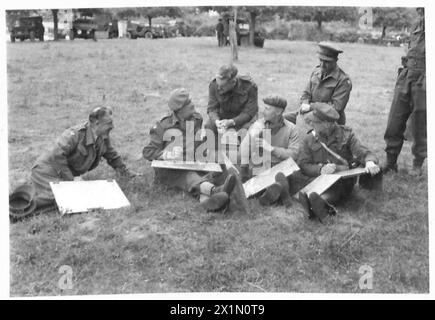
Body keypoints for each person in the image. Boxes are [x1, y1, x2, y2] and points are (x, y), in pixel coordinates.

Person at [11, 106, 136, 217]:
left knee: (76, 198)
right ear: (97, 123)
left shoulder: (102, 136)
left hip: (61, 173)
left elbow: (111, 155)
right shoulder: (73, 135)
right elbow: (57, 156)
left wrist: (125, 173)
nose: (112, 127)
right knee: (64, 199)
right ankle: (15, 209)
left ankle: (31, 191)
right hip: (47, 169)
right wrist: (72, 180)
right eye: (109, 123)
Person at [143, 88, 237, 212]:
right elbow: (148, 152)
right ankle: (216, 191)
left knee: (214, 169)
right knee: (190, 176)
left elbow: (195, 141)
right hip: (170, 170)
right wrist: (166, 154)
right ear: (179, 110)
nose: (192, 104)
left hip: (191, 163)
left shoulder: (196, 119)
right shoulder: (162, 126)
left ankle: (210, 204)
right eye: (188, 103)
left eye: (191, 101)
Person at [293, 103, 381, 221]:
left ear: (327, 124)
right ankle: (317, 205)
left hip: (342, 181)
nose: (311, 123)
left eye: (315, 122)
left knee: (336, 188)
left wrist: (370, 162)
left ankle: (317, 203)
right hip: (319, 179)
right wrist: (320, 169)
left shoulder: (346, 135)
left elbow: (363, 152)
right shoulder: (309, 138)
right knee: (314, 186)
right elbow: (303, 164)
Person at [383, 7, 426, 176]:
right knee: (395, 120)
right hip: (407, 76)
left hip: (425, 79)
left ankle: (417, 165)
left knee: (420, 125)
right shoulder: (416, 25)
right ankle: (391, 161)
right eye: (421, 10)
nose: (422, 13)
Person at [239, 95, 300, 206]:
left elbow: (294, 154)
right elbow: (242, 152)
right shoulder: (257, 125)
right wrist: (252, 136)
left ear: (278, 112)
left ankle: (275, 193)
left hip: (281, 168)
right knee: (259, 176)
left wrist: (272, 149)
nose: (263, 111)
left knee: (281, 177)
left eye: (267, 108)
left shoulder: (292, 129)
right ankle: (275, 195)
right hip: (261, 167)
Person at [284, 42, 352, 126]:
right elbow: (306, 93)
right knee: (275, 121)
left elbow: (336, 108)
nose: (322, 65)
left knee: (304, 133)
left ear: (335, 61)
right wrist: (305, 103)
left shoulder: (343, 80)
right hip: (308, 113)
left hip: (328, 121)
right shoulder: (316, 71)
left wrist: (312, 107)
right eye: (321, 60)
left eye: (327, 62)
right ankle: (267, 139)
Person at [206, 64, 258, 137]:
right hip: (224, 116)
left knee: (248, 130)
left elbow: (249, 112)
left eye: (222, 87)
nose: (218, 89)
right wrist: (217, 121)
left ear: (233, 82)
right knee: (209, 126)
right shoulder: (214, 85)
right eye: (218, 85)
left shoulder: (249, 86)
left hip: (244, 118)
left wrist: (232, 122)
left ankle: (242, 148)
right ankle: (213, 148)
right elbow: (212, 108)